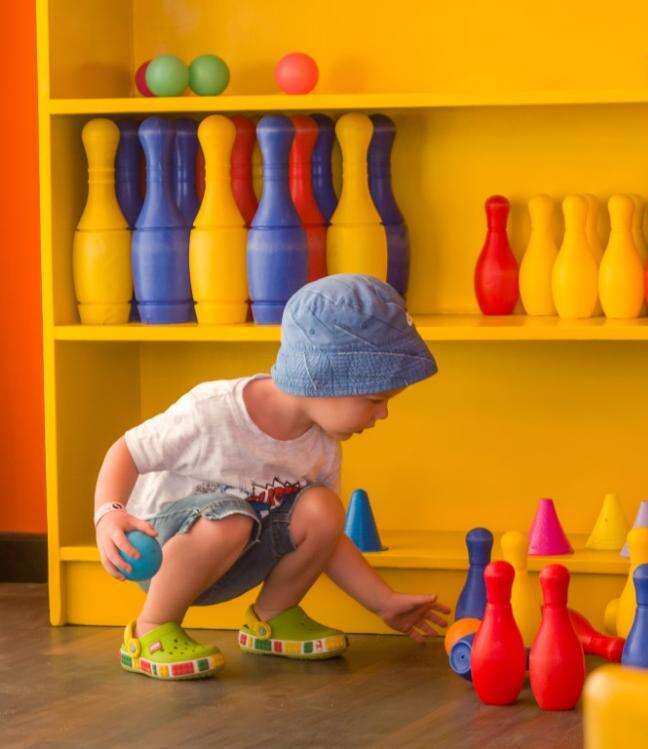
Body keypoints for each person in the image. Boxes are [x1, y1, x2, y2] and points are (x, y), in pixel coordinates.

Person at [93, 274, 450, 680]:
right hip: (162, 552)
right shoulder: (212, 411)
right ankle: (150, 630)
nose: (382, 414)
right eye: (374, 399)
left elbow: (329, 538)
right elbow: (128, 450)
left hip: (239, 555)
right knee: (232, 516)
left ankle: (271, 619)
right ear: (324, 377)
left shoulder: (321, 446)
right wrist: (109, 514)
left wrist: (382, 602)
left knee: (323, 509)